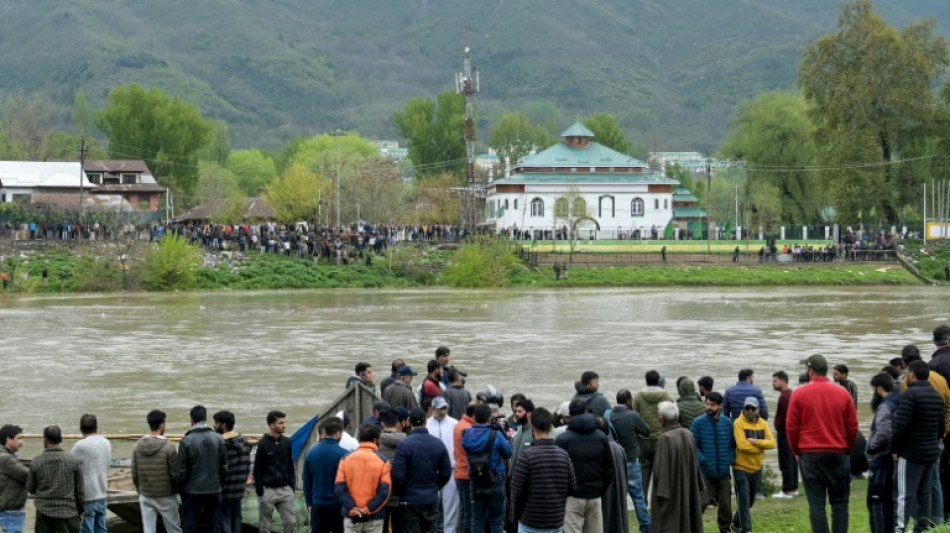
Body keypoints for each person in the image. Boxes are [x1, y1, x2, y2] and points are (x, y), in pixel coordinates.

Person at [786, 354, 858, 533]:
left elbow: (791, 427)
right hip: (838, 452)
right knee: (840, 503)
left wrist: (796, 451)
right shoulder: (843, 393)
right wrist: (847, 449)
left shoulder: (799, 393)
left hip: (810, 454)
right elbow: (852, 426)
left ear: (811, 371)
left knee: (816, 504)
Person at [892, 360, 946, 532]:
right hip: (931, 451)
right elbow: (941, 427)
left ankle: (899, 528)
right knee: (924, 492)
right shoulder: (937, 396)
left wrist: (895, 449)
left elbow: (900, 425)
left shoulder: (910, 395)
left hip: (911, 452)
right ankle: (922, 526)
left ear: (912, 374)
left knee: (904, 493)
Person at [510, 407, 575, 533]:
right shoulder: (564, 456)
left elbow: (517, 492)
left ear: (532, 427)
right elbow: (571, 487)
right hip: (556, 521)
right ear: (550, 427)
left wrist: (516, 516)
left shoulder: (527, 457)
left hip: (530, 522)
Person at [555, 399, 613, 533]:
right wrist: (600, 488)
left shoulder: (563, 439)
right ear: (585, 411)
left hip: (572, 496)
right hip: (595, 494)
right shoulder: (601, 437)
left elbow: (557, 472)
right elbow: (609, 468)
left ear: (570, 414)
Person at [392, 407, 453, 533]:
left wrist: (399, 492)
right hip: (431, 498)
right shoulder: (438, 444)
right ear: (425, 421)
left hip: (409, 500)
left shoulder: (404, 445)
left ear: (409, 422)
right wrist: (435, 486)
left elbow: (398, 476)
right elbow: (446, 472)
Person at [649, 402, 704, 533]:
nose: (658, 419)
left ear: (664, 419)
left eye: (660, 416)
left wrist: (661, 492)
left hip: (670, 489)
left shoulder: (665, 438)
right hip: (688, 484)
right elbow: (695, 464)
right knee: (688, 515)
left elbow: (660, 469)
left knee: (669, 520)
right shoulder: (688, 433)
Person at [462, 403, 513, 533]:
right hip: (495, 480)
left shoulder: (467, 434)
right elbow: (508, 453)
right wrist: (501, 432)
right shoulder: (496, 434)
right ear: (489, 418)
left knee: (477, 519)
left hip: (476, 480)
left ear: (474, 417)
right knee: (496, 520)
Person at [690, 391, 734, 533]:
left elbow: (733, 444)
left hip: (723, 471)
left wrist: (730, 458)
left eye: (712, 404)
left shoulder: (728, 423)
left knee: (726, 505)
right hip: (704, 472)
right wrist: (703, 460)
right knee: (701, 502)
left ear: (720, 406)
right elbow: (692, 445)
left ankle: (725, 529)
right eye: (707, 404)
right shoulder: (698, 423)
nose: (709, 407)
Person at [334, 425, 392, 533]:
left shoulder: (345, 459)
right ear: (375, 440)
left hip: (351, 516)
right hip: (374, 516)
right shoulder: (383, 461)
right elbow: (385, 491)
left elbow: (339, 488)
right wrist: (368, 509)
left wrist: (352, 508)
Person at [178, 405, 227, 533]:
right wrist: (220, 486)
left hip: (192, 492)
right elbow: (223, 467)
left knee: (190, 526)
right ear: (205, 418)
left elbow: (181, 471)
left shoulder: (186, 441)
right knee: (214, 526)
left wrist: (181, 490)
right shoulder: (219, 439)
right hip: (214, 490)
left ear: (191, 420)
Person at [132, 410, 182, 533]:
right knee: (174, 529)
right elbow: (175, 475)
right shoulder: (169, 447)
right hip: (166, 495)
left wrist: (140, 490)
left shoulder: (137, 446)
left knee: (148, 529)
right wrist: (176, 491)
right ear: (162, 425)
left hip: (146, 495)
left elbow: (134, 473)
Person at [28, 425, 84, 533]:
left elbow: (31, 488)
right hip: (68, 512)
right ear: (61, 439)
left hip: (44, 512)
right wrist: (80, 511)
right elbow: (80, 491)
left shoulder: (36, 461)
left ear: (45, 440)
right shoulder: (73, 461)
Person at [731, 397, 775, 533]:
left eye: (753, 408)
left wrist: (756, 442)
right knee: (744, 501)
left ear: (758, 409)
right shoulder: (738, 423)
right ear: (744, 409)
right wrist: (762, 446)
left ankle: (735, 524)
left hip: (757, 467)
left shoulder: (763, 424)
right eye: (747, 408)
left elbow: (772, 443)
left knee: (750, 502)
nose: (750, 411)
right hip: (740, 467)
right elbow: (742, 445)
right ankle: (747, 530)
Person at [611, 389, 652, 533]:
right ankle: (646, 526)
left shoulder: (609, 415)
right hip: (631, 461)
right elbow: (646, 430)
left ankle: (618, 526)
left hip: (615, 463)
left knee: (618, 499)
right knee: (638, 497)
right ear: (628, 401)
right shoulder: (632, 415)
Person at [304, 417, 348, 533]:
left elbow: (307, 483)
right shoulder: (345, 454)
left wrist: (309, 503)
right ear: (338, 433)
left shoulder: (310, 453)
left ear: (324, 432)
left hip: (318, 504)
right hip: (338, 504)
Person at [255, 410, 296, 533]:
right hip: (267, 491)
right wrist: (260, 490)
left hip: (285, 489)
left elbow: (290, 466)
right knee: (265, 526)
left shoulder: (287, 442)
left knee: (291, 522)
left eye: (284, 422)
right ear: (272, 425)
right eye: (281, 423)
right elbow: (257, 469)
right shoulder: (262, 444)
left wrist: (291, 486)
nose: (284, 426)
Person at [866, 373, 897, 533]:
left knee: (876, 499)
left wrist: (871, 447)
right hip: (892, 458)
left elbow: (883, 432)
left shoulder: (885, 406)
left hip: (881, 458)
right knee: (889, 500)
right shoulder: (898, 401)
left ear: (879, 388)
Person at [634, 370, 673, 493]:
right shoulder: (666, 396)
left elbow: (634, 416)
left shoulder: (638, 396)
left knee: (644, 470)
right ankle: (658, 499)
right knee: (660, 471)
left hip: (643, 440)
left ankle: (643, 500)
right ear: (658, 381)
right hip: (661, 438)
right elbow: (672, 416)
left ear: (646, 381)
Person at [70, 414, 111, 533]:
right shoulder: (106, 442)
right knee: (101, 528)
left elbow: (68, 465)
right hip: (102, 493)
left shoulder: (80, 446)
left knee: (87, 530)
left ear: (80, 429)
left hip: (87, 497)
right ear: (97, 427)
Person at [213, 410, 252, 533]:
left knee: (225, 521)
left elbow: (220, 469)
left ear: (223, 425)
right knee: (236, 519)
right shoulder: (244, 442)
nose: (214, 426)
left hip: (224, 491)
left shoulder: (221, 444)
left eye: (216, 423)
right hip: (239, 489)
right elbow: (247, 467)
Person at [426, 397, 459, 533]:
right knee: (432, 507)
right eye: (440, 409)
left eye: (445, 408)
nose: (443, 411)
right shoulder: (427, 425)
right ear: (433, 409)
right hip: (432, 472)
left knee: (451, 508)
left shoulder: (454, 424)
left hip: (451, 470)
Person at [378, 411, 407, 533]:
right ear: (398, 423)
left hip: (381, 495)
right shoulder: (407, 442)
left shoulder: (376, 443)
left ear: (382, 424)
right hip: (402, 494)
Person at [771, 370, 798, 498]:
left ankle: (787, 490)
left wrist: (778, 425)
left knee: (785, 461)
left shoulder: (785, 396)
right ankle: (794, 487)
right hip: (790, 433)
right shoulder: (791, 394)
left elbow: (785, 417)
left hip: (785, 433)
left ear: (783, 381)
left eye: (775, 381)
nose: (773, 384)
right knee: (792, 460)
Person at [0, 424, 28, 533]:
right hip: (11, 511)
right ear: (9, 440)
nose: (21, 442)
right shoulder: (6, 458)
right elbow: (27, 475)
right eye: (19, 438)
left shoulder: (6, 455)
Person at [453, 402, 476, 533]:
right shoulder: (468, 428)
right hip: (466, 473)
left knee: (464, 510)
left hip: (459, 472)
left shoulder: (460, 424)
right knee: (469, 513)